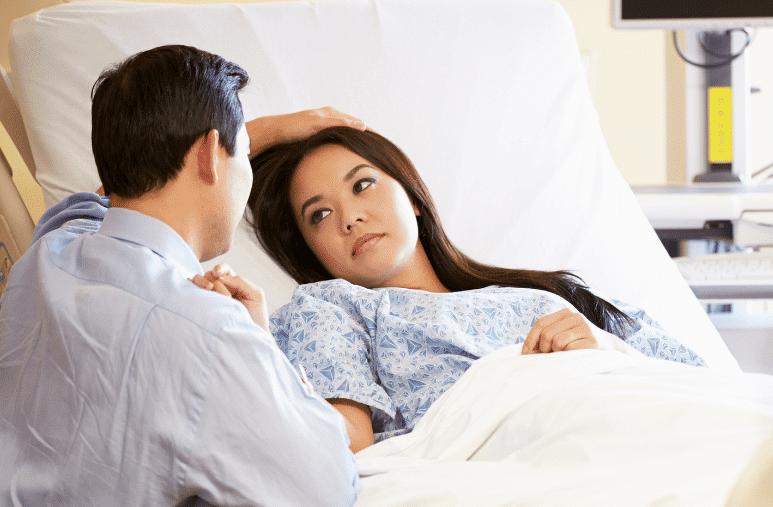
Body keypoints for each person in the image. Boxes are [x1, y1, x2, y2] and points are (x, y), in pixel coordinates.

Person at [0, 45, 365, 507]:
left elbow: (103, 196)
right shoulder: (213, 335)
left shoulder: (49, 255)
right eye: (243, 153)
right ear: (208, 156)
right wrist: (259, 344)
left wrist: (248, 135)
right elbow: (322, 497)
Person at [239, 127, 707, 452]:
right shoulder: (330, 309)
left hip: (643, 425)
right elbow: (344, 445)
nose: (349, 217)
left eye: (363, 185)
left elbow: (704, 385)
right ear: (312, 250)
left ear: (414, 198)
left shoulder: (548, 294)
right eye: (318, 215)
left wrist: (601, 350)